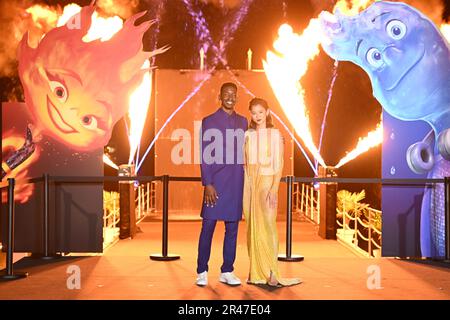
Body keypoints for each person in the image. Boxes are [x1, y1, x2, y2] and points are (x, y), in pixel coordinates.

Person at [243, 97, 302, 287]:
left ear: (267, 112)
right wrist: (246, 187)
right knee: (252, 226)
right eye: (254, 112)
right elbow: (244, 163)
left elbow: (280, 163)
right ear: (250, 114)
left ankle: (272, 272)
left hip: (267, 181)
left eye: (261, 112)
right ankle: (256, 271)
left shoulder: (275, 134)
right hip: (250, 183)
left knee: (268, 225)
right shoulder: (248, 134)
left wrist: (274, 189)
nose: (257, 116)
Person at [196, 82, 248, 287]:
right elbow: (204, 153)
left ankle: (227, 270)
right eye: (226, 94)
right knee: (208, 226)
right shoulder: (209, 121)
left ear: (237, 97)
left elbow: (254, 142)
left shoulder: (244, 122)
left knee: (232, 228)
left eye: (233, 94)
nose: (230, 97)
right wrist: (207, 183)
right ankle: (201, 270)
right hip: (215, 184)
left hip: (235, 182)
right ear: (220, 96)